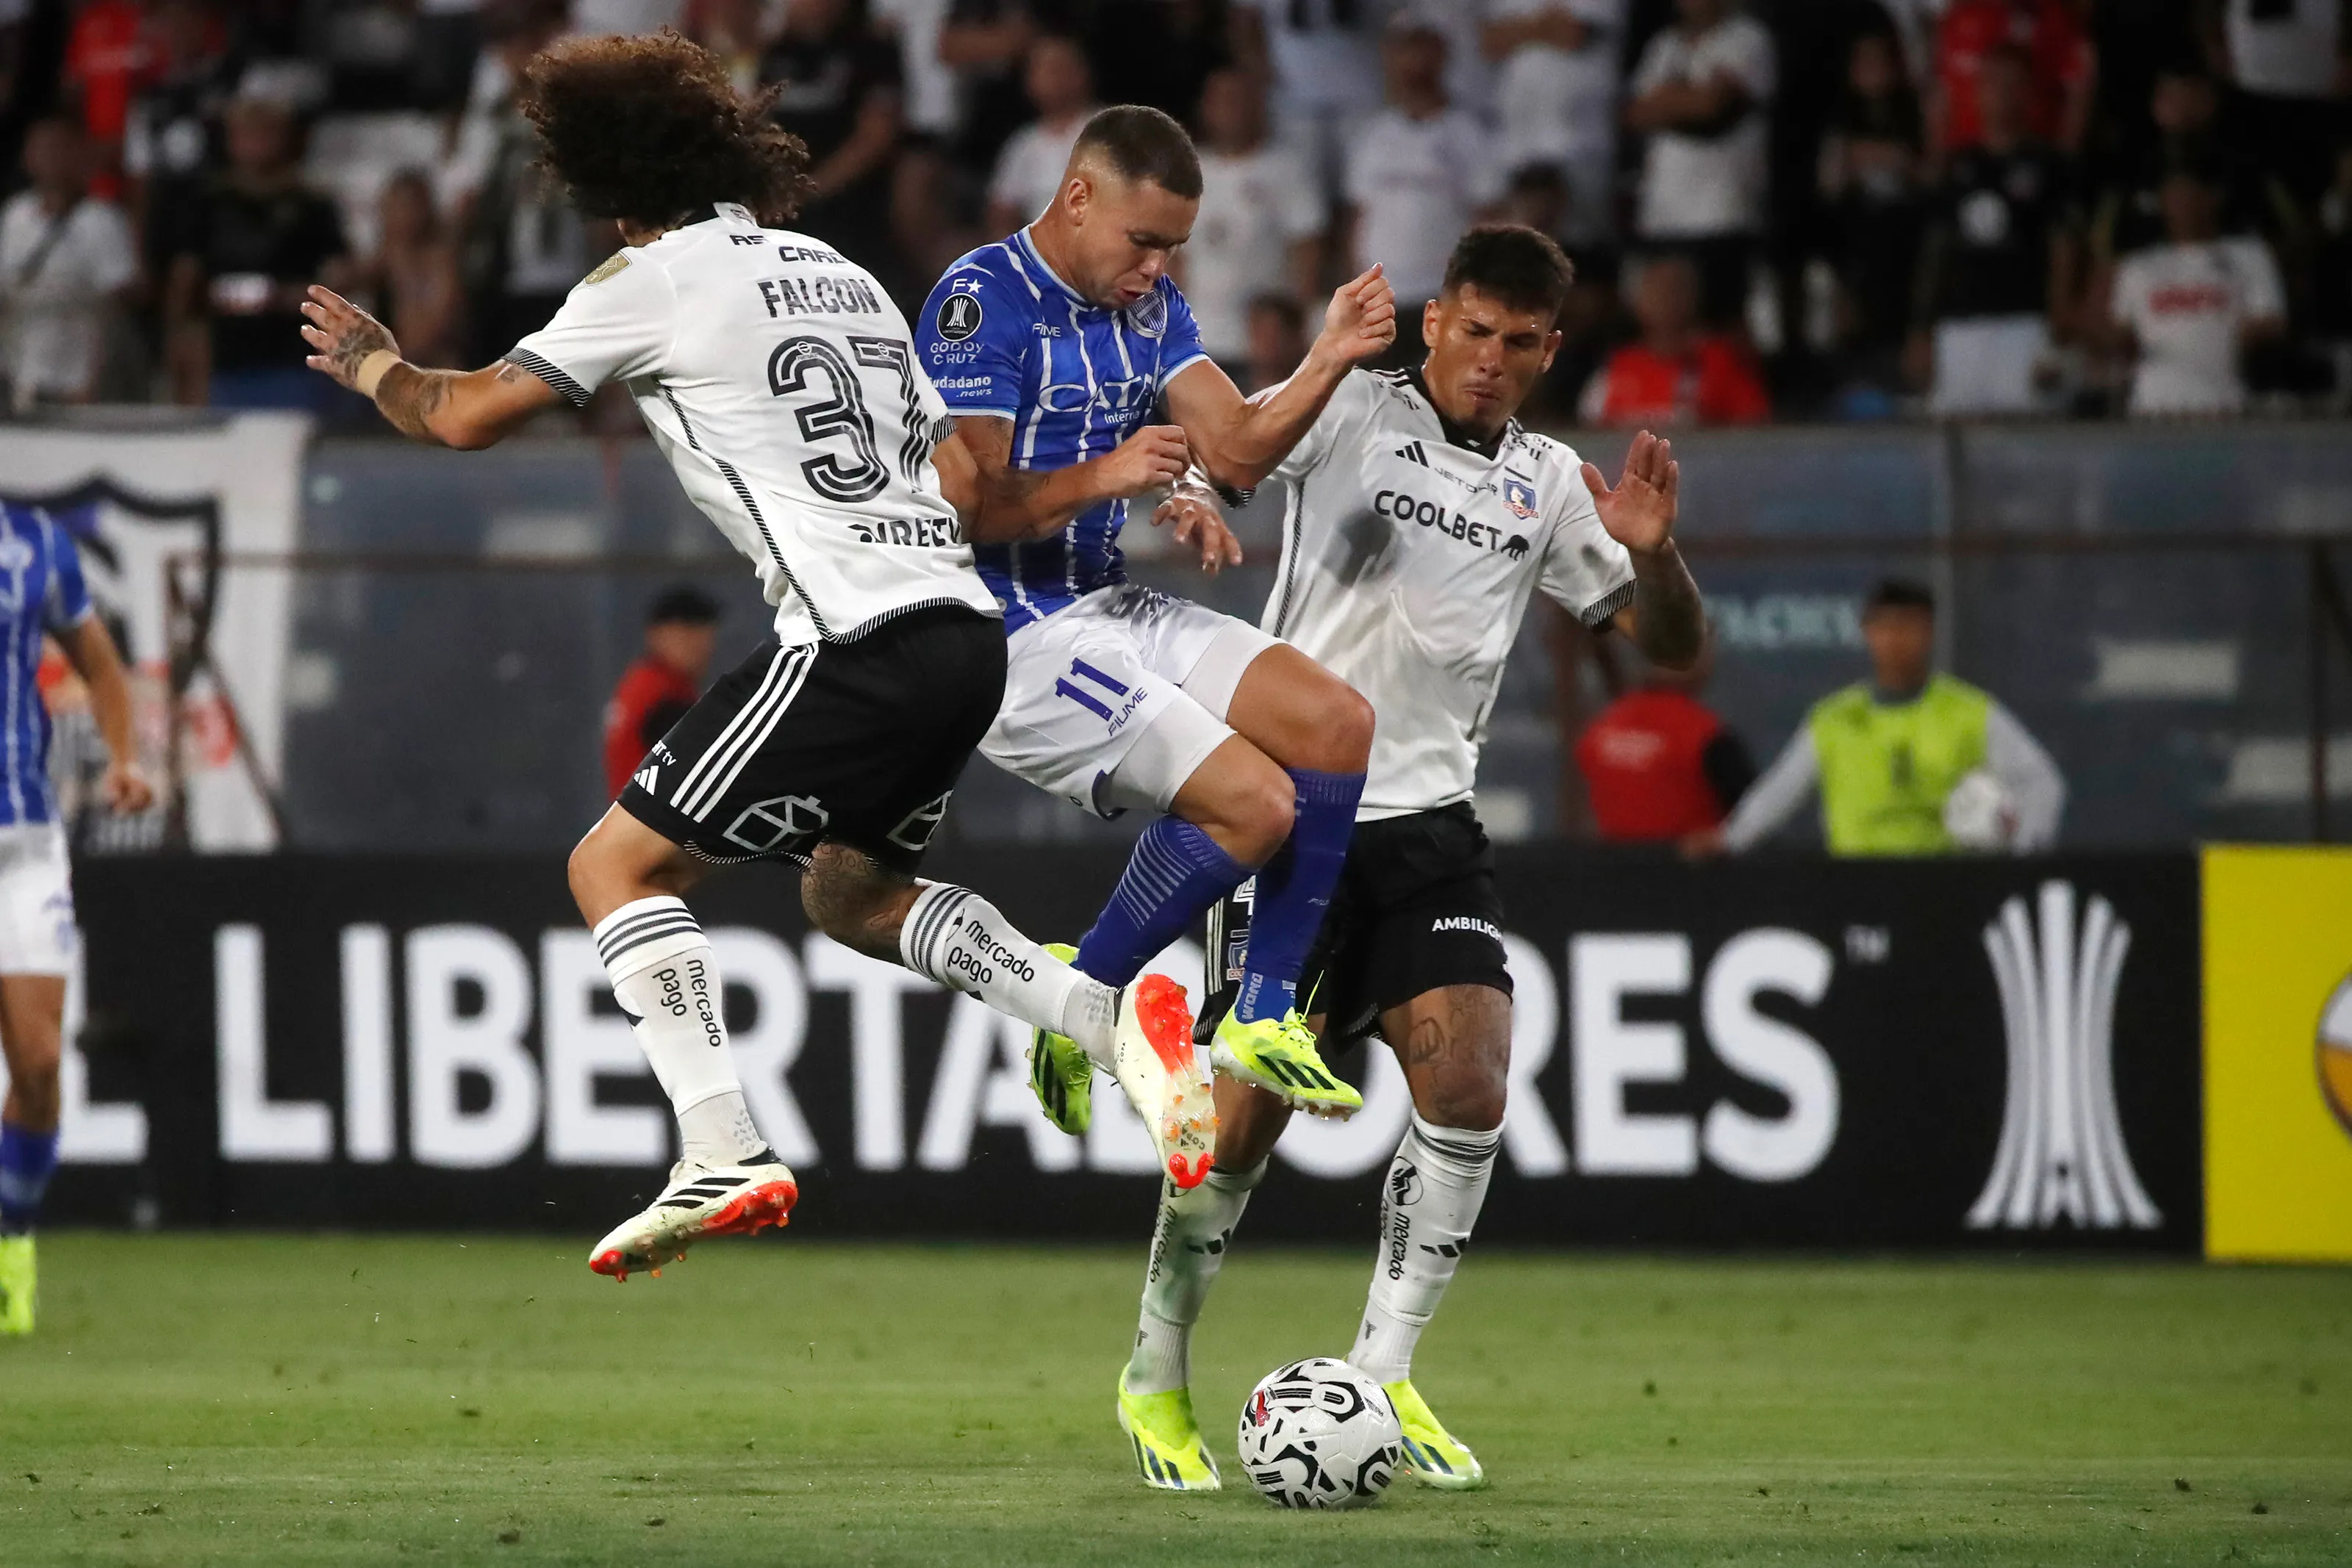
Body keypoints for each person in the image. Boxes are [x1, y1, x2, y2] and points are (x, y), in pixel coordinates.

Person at [298, 32, 1214, 1282]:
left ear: (618, 190)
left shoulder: (655, 274)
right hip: (966, 634)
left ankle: (722, 1145)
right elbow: (958, 481)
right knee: (854, 898)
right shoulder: (840, 272)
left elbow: (460, 417)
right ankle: (1100, 1015)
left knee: (615, 864)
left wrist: (374, 363)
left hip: (854, 636)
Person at [1107, 225, 1706, 1492]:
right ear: (1436, 325)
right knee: (1239, 1127)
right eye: (1474, 331)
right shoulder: (1350, 405)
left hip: (1432, 824)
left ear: (1550, 350)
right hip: (1294, 808)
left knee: (1472, 1078)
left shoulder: (1548, 479)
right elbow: (1236, 455)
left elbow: (1669, 647)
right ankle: (1156, 1368)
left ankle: (1381, 1374)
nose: (1491, 361)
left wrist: (1654, 552)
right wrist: (1193, 501)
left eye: (1521, 343)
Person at [917, 105, 1394, 1152]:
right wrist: (1112, 474)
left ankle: (1260, 1013)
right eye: (1143, 241)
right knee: (1258, 805)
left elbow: (1236, 454)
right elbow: (969, 509)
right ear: (1076, 196)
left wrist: (1328, 355)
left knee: (1337, 724)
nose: (1158, 266)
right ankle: (1088, 992)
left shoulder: (1152, 307)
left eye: (1172, 246)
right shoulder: (978, 300)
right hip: (1004, 635)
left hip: (1102, 594)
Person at [0, 503, 156, 1334]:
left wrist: (126, 758)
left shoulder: (34, 544)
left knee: (35, 1061)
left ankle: (11, 1243)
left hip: (22, 843)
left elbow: (99, 664)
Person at [1690, 578, 2064, 857]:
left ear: (1929, 631)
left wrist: (2022, 857)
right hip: (1858, 884)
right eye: (1886, 626)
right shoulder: (1834, 718)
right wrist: (1730, 839)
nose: (1897, 639)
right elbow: (1780, 792)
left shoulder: (1969, 711)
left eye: (1909, 626)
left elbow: (2043, 785)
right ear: (1867, 632)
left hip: (1947, 885)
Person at [1909, 44, 2079, 415]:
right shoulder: (1956, 166)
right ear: (1977, 92)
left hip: (2025, 324)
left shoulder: (2049, 165)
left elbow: (2062, 243)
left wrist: (2059, 316)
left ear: (2030, 92)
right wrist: (1922, 327)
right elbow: (1937, 247)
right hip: (1960, 327)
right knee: (1954, 445)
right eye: (1993, 84)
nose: (2002, 94)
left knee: (2029, 442)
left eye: (2013, 84)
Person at [162, 93, 354, 411]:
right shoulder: (209, 204)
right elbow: (185, 279)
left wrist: (287, 297)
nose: (257, 143)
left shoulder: (313, 205)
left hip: (295, 359)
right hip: (226, 359)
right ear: (231, 140)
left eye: (266, 132)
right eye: (247, 133)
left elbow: (340, 277)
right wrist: (179, 336)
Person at [1344, 24, 1505, 347]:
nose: (1415, 68)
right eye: (1407, 57)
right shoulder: (1374, 136)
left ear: (1441, 61)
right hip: (1385, 295)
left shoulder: (1468, 133)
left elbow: (1489, 216)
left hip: (1443, 293)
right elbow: (1359, 217)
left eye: (1423, 57)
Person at [1623, 0, 1779, 328]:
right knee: (1667, 324)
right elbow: (1635, 112)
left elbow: (1713, 106)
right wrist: (1689, 99)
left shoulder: (1748, 38)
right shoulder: (1663, 44)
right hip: (1664, 213)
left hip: (1724, 210)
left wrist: (1667, 101)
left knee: (1723, 324)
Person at [2101, 165, 2285, 416]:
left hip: (2225, 404)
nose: (2182, 205)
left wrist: (2234, 336)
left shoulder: (2249, 256)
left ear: (2212, 198)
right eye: (2173, 197)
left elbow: (2273, 321)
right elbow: (2120, 332)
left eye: (2189, 195)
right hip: (2154, 406)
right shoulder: (2137, 266)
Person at [1177, 65, 1322, 375]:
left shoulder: (1286, 168)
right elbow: (1172, 254)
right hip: (1200, 337)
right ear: (1206, 108)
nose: (1230, 110)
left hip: (1266, 343)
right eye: (1221, 100)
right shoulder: (1188, 170)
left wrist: (1297, 328)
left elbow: (1307, 249)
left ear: (1257, 105)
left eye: (1238, 99)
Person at [0, 116, 140, 411]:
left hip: (78, 383)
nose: (49, 159)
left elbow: (115, 311)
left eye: (58, 149)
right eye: (40, 149)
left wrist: (94, 384)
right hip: (19, 378)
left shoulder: (101, 220)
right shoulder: (15, 216)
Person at [1577, 635, 1752, 842]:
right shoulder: (1707, 736)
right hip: (1689, 870)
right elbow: (1755, 815)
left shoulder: (1598, 733)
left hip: (1610, 870)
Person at [1480, 0, 1626, 248]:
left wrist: (1523, 28)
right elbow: (1491, 41)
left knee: (1578, 249)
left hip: (1579, 141)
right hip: (1521, 139)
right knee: (1521, 248)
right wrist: (1544, 26)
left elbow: (1573, 33)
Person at [1580, 252, 1771, 425]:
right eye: (1657, 289)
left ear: (1694, 298)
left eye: (1677, 288)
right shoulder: (1616, 367)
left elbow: (1755, 431)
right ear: (1638, 302)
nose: (1666, 298)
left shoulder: (1722, 362)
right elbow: (1587, 430)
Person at [603, 585, 723, 802]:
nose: (701, 645)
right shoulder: (663, 695)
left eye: (705, 632)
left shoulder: (640, 682)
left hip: (634, 823)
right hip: (655, 825)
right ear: (656, 635)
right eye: (687, 632)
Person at [983, 32, 1094, 237]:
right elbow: (1001, 213)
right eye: (1040, 69)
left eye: (1058, 68)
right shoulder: (1023, 144)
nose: (1049, 78)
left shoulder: (1109, 129)